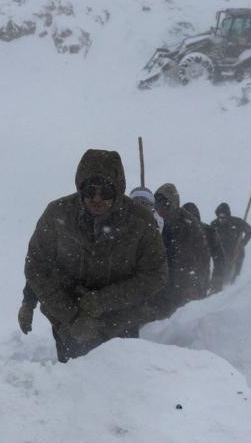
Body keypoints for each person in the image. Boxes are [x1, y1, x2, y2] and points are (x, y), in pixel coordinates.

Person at [25, 149, 167, 362]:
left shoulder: (141, 221)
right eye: (90, 190)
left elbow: (156, 275)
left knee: (122, 387)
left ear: (118, 191)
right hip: (68, 324)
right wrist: (70, 316)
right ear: (80, 188)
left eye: (106, 192)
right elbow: (37, 266)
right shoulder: (57, 214)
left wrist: (102, 301)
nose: (97, 199)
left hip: (122, 324)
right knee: (71, 385)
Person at [152, 184, 211, 316]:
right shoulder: (154, 220)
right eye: (158, 205)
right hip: (161, 283)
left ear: (172, 204)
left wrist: (197, 286)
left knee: (177, 323)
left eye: (165, 205)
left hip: (183, 285)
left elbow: (200, 258)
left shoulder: (188, 224)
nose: (161, 209)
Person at [183, 202, 226, 295]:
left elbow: (219, 257)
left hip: (199, 282)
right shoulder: (173, 229)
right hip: (175, 284)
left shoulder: (208, 231)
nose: (188, 222)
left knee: (195, 308)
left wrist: (217, 279)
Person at [210, 203, 251, 285]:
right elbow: (210, 238)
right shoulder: (214, 224)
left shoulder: (237, 222)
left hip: (237, 253)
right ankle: (221, 292)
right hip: (222, 255)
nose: (221, 219)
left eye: (224, 217)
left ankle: (235, 290)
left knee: (235, 277)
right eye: (219, 217)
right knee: (223, 276)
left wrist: (242, 243)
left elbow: (249, 230)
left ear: (228, 215)